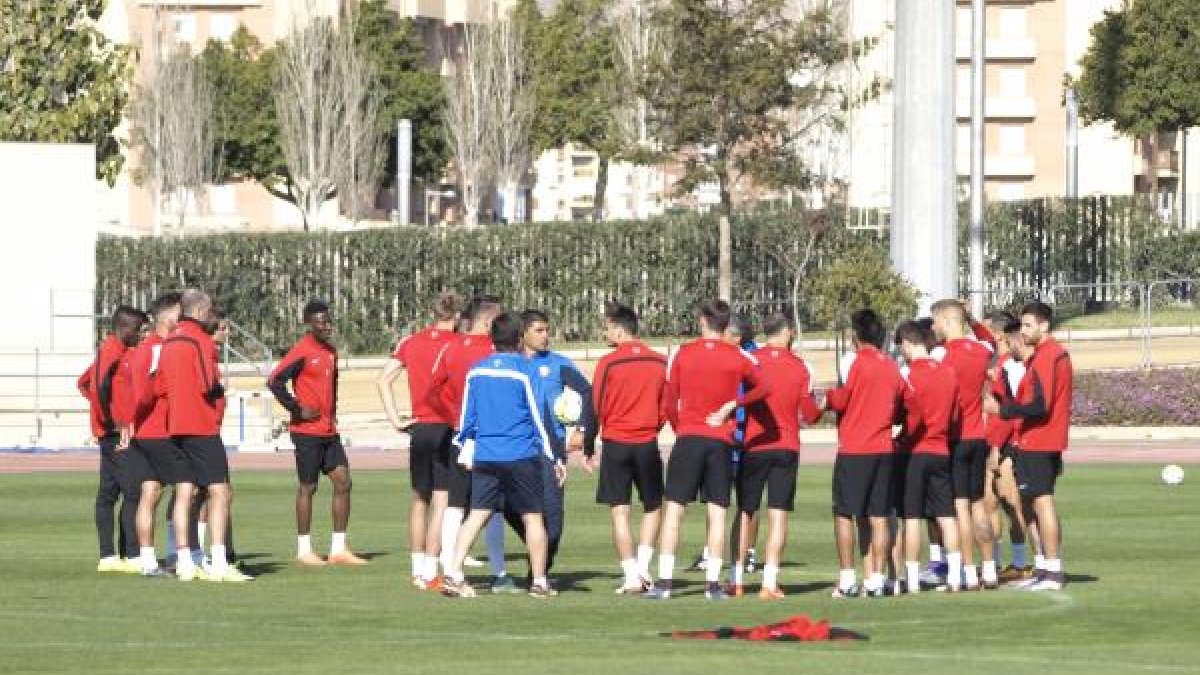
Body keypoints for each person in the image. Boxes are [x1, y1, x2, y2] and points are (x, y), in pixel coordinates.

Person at [643, 299, 765, 601]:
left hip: (689, 438)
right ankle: (712, 585)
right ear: (725, 325)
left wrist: (680, 424)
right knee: (718, 513)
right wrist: (732, 406)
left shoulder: (683, 354)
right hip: (720, 442)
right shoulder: (738, 356)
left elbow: (669, 398)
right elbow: (764, 386)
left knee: (674, 510)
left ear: (702, 321)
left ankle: (666, 583)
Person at [439, 312, 566, 599]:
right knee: (533, 517)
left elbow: (466, 418)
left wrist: (464, 446)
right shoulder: (525, 370)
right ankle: (540, 582)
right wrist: (554, 458)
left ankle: (454, 573)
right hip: (520, 455)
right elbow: (537, 418)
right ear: (520, 338)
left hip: (486, 455)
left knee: (476, 515)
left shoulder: (477, 371)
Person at [494, 309, 595, 586]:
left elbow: (588, 393)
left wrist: (584, 432)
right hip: (517, 449)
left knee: (554, 524)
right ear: (522, 334)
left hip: (551, 452)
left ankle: (538, 571)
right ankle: (536, 569)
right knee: (504, 505)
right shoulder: (512, 366)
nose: (545, 336)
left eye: (547, 330)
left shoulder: (558, 364)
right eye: (538, 330)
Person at [156, 289, 250, 582]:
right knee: (220, 491)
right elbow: (208, 384)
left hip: (175, 426)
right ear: (199, 311)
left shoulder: (168, 340)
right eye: (209, 312)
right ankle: (219, 561)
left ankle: (184, 560)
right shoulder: (200, 341)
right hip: (201, 425)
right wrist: (222, 392)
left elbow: (159, 387)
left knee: (184, 492)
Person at [268, 300, 366, 566]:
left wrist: (332, 414)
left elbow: (332, 387)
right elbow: (274, 380)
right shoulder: (301, 351)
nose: (326, 325)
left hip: (328, 431)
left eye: (328, 320)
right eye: (320, 321)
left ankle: (338, 549)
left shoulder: (331, 352)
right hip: (306, 432)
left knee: (343, 482)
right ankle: (304, 550)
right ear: (308, 324)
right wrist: (296, 408)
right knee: (308, 487)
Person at [985, 300, 1073, 591]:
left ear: (1044, 326)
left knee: (1042, 501)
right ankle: (1045, 569)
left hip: (1040, 439)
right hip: (1034, 439)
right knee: (1032, 504)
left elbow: (1040, 405)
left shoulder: (1049, 355)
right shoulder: (1042, 356)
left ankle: (1054, 571)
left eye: (1027, 325)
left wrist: (1003, 411)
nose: (1022, 331)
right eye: (1021, 325)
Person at [732, 312, 822, 599]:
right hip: (786, 445)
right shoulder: (800, 366)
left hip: (755, 444)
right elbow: (809, 415)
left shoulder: (751, 361)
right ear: (788, 332)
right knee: (778, 515)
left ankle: (737, 580)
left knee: (746, 511)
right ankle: (769, 582)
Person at [378, 291, 461, 587]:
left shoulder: (411, 342)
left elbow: (384, 379)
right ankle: (430, 569)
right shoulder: (457, 344)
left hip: (419, 426)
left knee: (418, 498)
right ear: (458, 315)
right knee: (442, 500)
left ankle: (416, 567)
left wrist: (396, 419)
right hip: (445, 426)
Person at [823, 309, 905, 598]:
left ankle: (847, 579)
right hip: (883, 449)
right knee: (879, 515)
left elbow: (842, 399)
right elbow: (905, 404)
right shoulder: (892, 367)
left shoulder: (855, 363)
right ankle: (877, 579)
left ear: (857, 337)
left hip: (855, 449)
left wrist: (828, 399)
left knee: (844, 514)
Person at [588, 301, 667, 594]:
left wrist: (588, 444)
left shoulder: (608, 363)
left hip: (616, 444)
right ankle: (644, 568)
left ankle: (632, 574)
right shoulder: (659, 361)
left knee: (620, 512)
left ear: (620, 330)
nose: (605, 333)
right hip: (646, 442)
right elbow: (665, 406)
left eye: (608, 327)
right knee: (653, 506)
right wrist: (652, 427)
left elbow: (595, 406)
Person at [426, 295, 503, 586]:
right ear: (487, 321)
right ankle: (499, 571)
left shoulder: (450, 347)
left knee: (455, 502)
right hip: (491, 435)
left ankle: (448, 567)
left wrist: (454, 418)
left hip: (459, 434)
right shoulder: (495, 350)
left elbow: (432, 391)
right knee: (493, 503)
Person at [931, 298, 998, 590]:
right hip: (978, 436)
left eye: (935, 321)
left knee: (960, 509)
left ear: (947, 321)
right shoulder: (981, 352)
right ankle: (990, 569)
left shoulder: (943, 355)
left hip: (956, 437)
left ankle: (968, 572)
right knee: (979, 505)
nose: (933, 327)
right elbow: (992, 347)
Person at [894, 321, 963, 593]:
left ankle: (911, 581)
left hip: (916, 452)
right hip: (941, 449)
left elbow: (906, 415)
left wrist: (901, 438)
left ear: (909, 343)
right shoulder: (948, 372)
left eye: (902, 347)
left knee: (912, 517)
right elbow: (956, 415)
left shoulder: (908, 375)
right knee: (947, 515)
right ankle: (955, 578)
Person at [78, 305, 146, 573]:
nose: (141, 334)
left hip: (114, 431)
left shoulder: (121, 352)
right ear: (125, 328)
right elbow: (97, 386)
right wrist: (110, 420)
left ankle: (108, 556)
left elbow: (82, 383)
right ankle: (131, 554)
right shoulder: (110, 350)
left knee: (110, 491)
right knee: (132, 491)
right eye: (138, 330)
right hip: (117, 433)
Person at [123, 293, 184, 576]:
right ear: (169, 317)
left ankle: (148, 560)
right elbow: (146, 392)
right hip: (162, 430)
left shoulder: (144, 348)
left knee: (151, 492)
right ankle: (178, 553)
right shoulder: (160, 349)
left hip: (145, 431)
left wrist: (131, 422)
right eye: (180, 314)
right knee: (189, 488)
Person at [987, 313, 1040, 584]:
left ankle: (1019, 563)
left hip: (1004, 444)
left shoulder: (1010, 366)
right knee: (1003, 505)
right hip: (1002, 442)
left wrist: (997, 446)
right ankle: (1007, 563)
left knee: (1006, 504)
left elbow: (1009, 411)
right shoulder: (1003, 363)